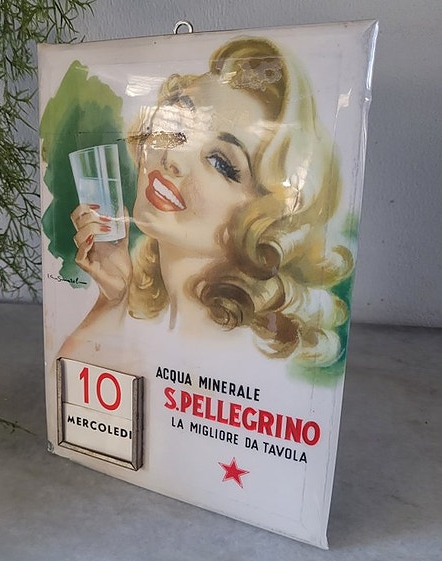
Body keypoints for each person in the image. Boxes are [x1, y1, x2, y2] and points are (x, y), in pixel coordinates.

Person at [60, 37, 352, 368]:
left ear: (266, 215)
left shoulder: (240, 354)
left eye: (220, 162)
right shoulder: (149, 319)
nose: (173, 159)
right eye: (177, 126)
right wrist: (112, 300)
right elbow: (70, 389)